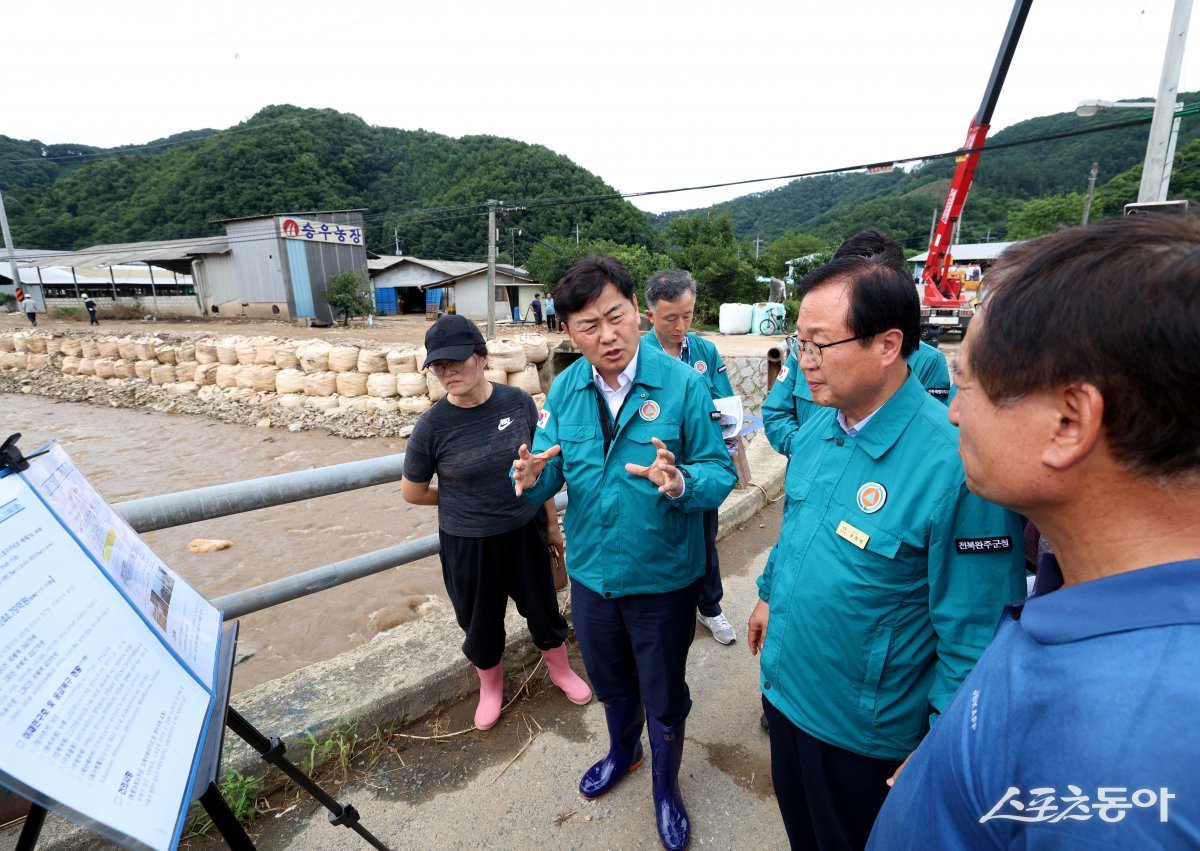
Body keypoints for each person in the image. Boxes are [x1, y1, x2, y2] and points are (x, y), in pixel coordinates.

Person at [868, 215, 1200, 849]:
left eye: (966, 384)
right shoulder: (1083, 591)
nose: (955, 411)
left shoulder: (1127, 763)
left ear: (1069, 422)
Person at [747, 251, 1027, 850]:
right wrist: (769, 594)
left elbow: (976, 632)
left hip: (862, 736)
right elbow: (799, 524)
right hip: (787, 694)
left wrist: (941, 744)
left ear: (886, 345)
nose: (804, 364)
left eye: (820, 346)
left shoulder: (954, 465)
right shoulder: (824, 423)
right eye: (800, 344)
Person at [511, 256, 736, 851]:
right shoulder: (566, 388)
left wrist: (681, 481)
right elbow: (546, 473)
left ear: (636, 310)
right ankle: (623, 753)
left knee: (663, 690)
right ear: (569, 331)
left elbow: (720, 472)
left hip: (663, 578)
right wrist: (528, 478)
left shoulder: (684, 385)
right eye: (588, 325)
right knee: (611, 682)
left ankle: (666, 785)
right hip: (591, 577)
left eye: (615, 316)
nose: (607, 335)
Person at [401, 314, 591, 731]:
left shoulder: (518, 402)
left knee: (543, 609)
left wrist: (552, 527)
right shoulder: (431, 427)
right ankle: (491, 689)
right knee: (480, 622)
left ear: (482, 357)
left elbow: (536, 471)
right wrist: (460, 498)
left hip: (525, 530)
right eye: (438, 365)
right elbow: (412, 491)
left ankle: (560, 670)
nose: (448, 372)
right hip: (468, 543)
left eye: (457, 361)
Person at [764, 229, 950, 460]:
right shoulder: (805, 350)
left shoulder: (928, 362)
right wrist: (804, 448)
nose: (806, 361)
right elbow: (775, 411)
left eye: (820, 343)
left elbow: (929, 441)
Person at [641, 269, 737, 646]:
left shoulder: (705, 351)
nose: (681, 326)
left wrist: (727, 421)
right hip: (656, 470)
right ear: (650, 316)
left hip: (700, 466)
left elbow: (726, 403)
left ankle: (710, 607)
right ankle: (662, 612)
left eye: (688, 315)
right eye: (670, 318)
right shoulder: (638, 356)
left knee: (704, 537)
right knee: (660, 541)